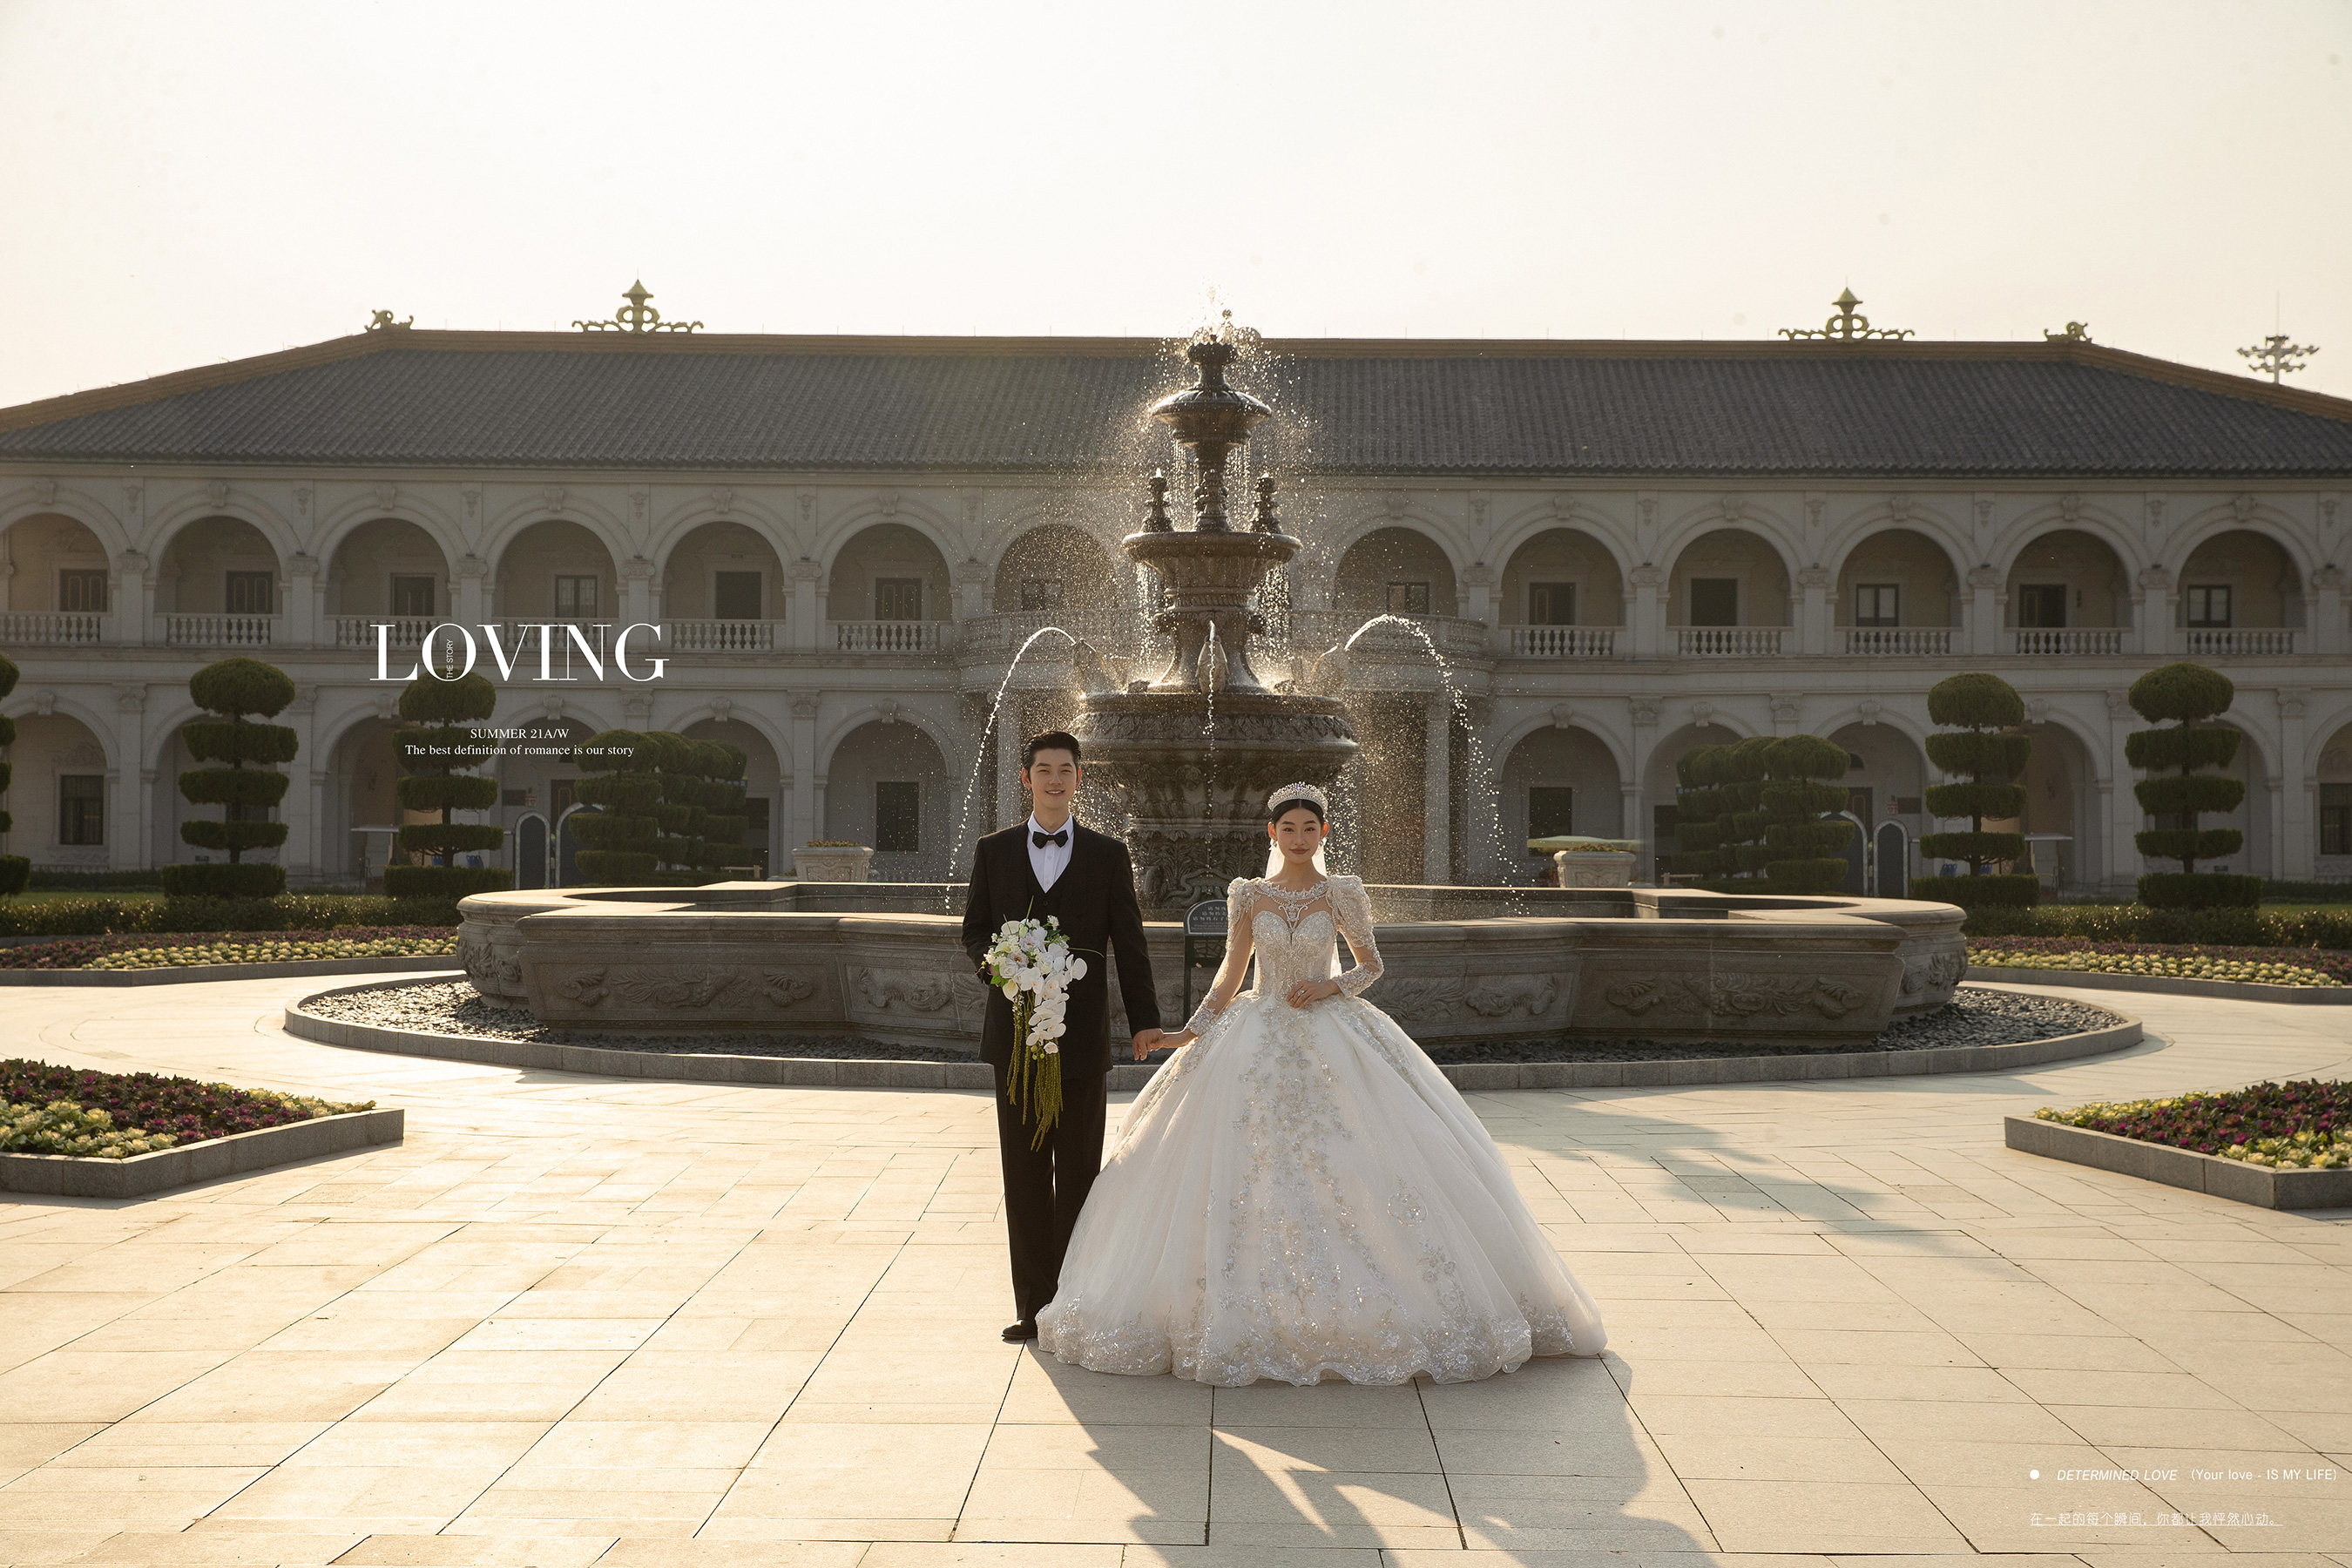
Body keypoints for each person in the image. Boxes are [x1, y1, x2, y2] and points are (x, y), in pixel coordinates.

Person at [1037, 781, 1608, 1385]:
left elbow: (1371, 964)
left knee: (1355, 1156)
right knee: (1240, 1162)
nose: (1300, 839)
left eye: (1311, 829)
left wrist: (1331, 986)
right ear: (1272, 835)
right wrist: (1189, 1034)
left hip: (1331, 1031)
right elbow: (1231, 975)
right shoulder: (1249, 895)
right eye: (1290, 829)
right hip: (1254, 1034)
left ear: (1325, 834)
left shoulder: (1341, 893)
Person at [960, 730, 1162, 1344]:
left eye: (1064, 770)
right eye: (1043, 769)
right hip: (1014, 1037)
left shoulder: (1107, 854)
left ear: (1079, 778)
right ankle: (1032, 1308)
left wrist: (1146, 1019)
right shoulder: (993, 851)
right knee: (1022, 1175)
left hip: (1081, 1039)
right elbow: (974, 933)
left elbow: (1128, 942)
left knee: (1078, 1172)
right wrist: (1002, 968)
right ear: (1025, 778)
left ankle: (1072, 1304)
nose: (1054, 779)